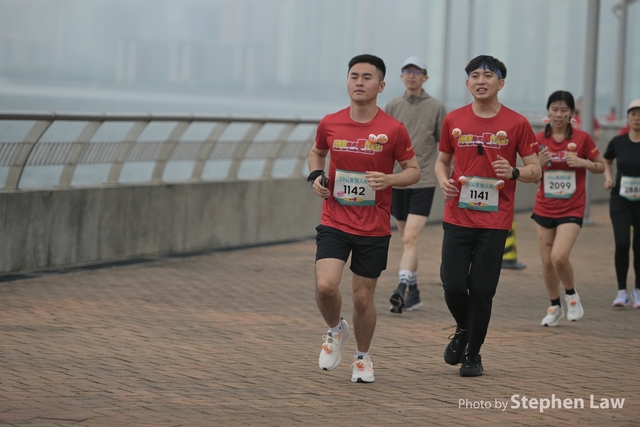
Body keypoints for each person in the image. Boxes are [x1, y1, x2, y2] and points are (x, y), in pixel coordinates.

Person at [308, 54, 420, 383]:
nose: (359, 82)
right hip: (335, 219)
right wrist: (315, 175)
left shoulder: (394, 130)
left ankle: (362, 358)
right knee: (325, 286)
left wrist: (390, 179)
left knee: (361, 298)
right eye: (354, 76)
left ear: (381, 86)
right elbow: (317, 152)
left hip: (373, 226)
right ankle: (334, 330)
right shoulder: (330, 122)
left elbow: (413, 171)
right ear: (347, 81)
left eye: (367, 77)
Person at [434, 55, 541, 377]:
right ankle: (464, 329)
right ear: (467, 83)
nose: (481, 81)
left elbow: (535, 170)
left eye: (488, 75)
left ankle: (473, 354)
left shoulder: (516, 123)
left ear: (501, 83)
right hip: (457, 215)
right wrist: (443, 180)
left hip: (495, 220)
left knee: (481, 290)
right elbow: (442, 161)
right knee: (453, 284)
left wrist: (514, 171)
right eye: (475, 75)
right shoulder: (453, 119)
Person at [534, 91, 605, 327]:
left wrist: (584, 163)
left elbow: (601, 166)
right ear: (548, 111)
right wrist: (538, 165)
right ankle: (554, 306)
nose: (559, 114)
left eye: (564, 110)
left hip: (572, 207)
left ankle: (572, 296)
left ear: (572, 113)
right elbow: (531, 175)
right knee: (546, 262)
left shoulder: (583, 138)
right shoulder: (538, 140)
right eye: (555, 109)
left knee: (559, 256)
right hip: (544, 206)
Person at [385, 56, 446, 314]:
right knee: (407, 240)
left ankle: (401, 289)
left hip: (424, 181)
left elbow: (446, 146)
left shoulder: (436, 107)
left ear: (425, 77)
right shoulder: (392, 105)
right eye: (407, 71)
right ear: (401, 76)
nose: (411, 75)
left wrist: (447, 175)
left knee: (410, 237)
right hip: (396, 181)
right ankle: (415, 293)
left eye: (417, 71)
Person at [603, 98, 640, 308]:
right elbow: (607, 160)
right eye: (634, 114)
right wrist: (608, 178)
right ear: (628, 117)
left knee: (639, 247)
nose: (637, 118)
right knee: (622, 243)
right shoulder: (618, 142)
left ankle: (638, 291)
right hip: (621, 200)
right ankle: (621, 292)